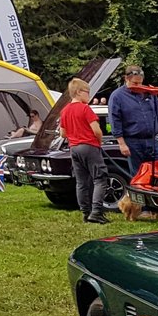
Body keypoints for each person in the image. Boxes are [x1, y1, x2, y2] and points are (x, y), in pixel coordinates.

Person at [61, 77, 109, 224]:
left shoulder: (65, 110)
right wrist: (98, 142)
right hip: (89, 146)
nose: (89, 95)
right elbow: (97, 130)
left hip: (74, 148)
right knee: (100, 178)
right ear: (78, 92)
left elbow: (63, 133)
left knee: (81, 182)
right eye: (87, 92)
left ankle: (85, 212)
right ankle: (96, 212)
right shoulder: (85, 108)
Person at [107, 64, 158, 176]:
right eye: (135, 83)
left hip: (152, 140)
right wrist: (121, 143)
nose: (138, 86)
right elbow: (115, 120)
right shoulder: (117, 96)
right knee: (138, 174)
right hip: (133, 141)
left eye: (140, 83)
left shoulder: (149, 93)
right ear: (126, 79)